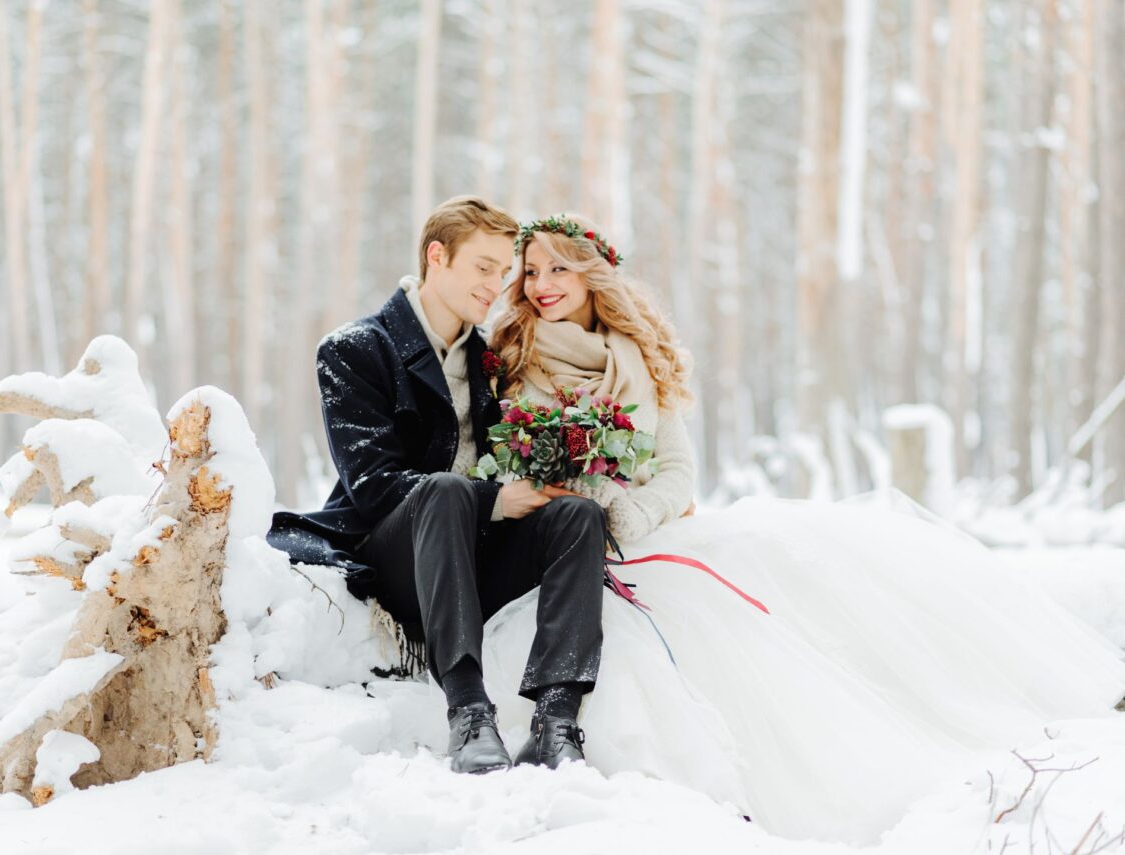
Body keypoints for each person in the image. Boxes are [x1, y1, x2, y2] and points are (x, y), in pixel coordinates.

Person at [482, 212, 1125, 843]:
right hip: (559, 544)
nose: (542, 283)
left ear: (594, 276)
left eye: (559, 269)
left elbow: (677, 470)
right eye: (531, 271)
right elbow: (493, 464)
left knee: (784, 569)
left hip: (643, 532)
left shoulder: (639, 359)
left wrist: (634, 510)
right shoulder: (510, 358)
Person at [268, 197, 607, 775]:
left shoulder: (493, 361)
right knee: (445, 490)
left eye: (504, 273)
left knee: (579, 517)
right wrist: (493, 499)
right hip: (397, 561)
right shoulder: (355, 350)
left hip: (475, 556)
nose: (496, 286)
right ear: (436, 257)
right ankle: (470, 712)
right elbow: (373, 486)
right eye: (483, 267)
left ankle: (556, 720)